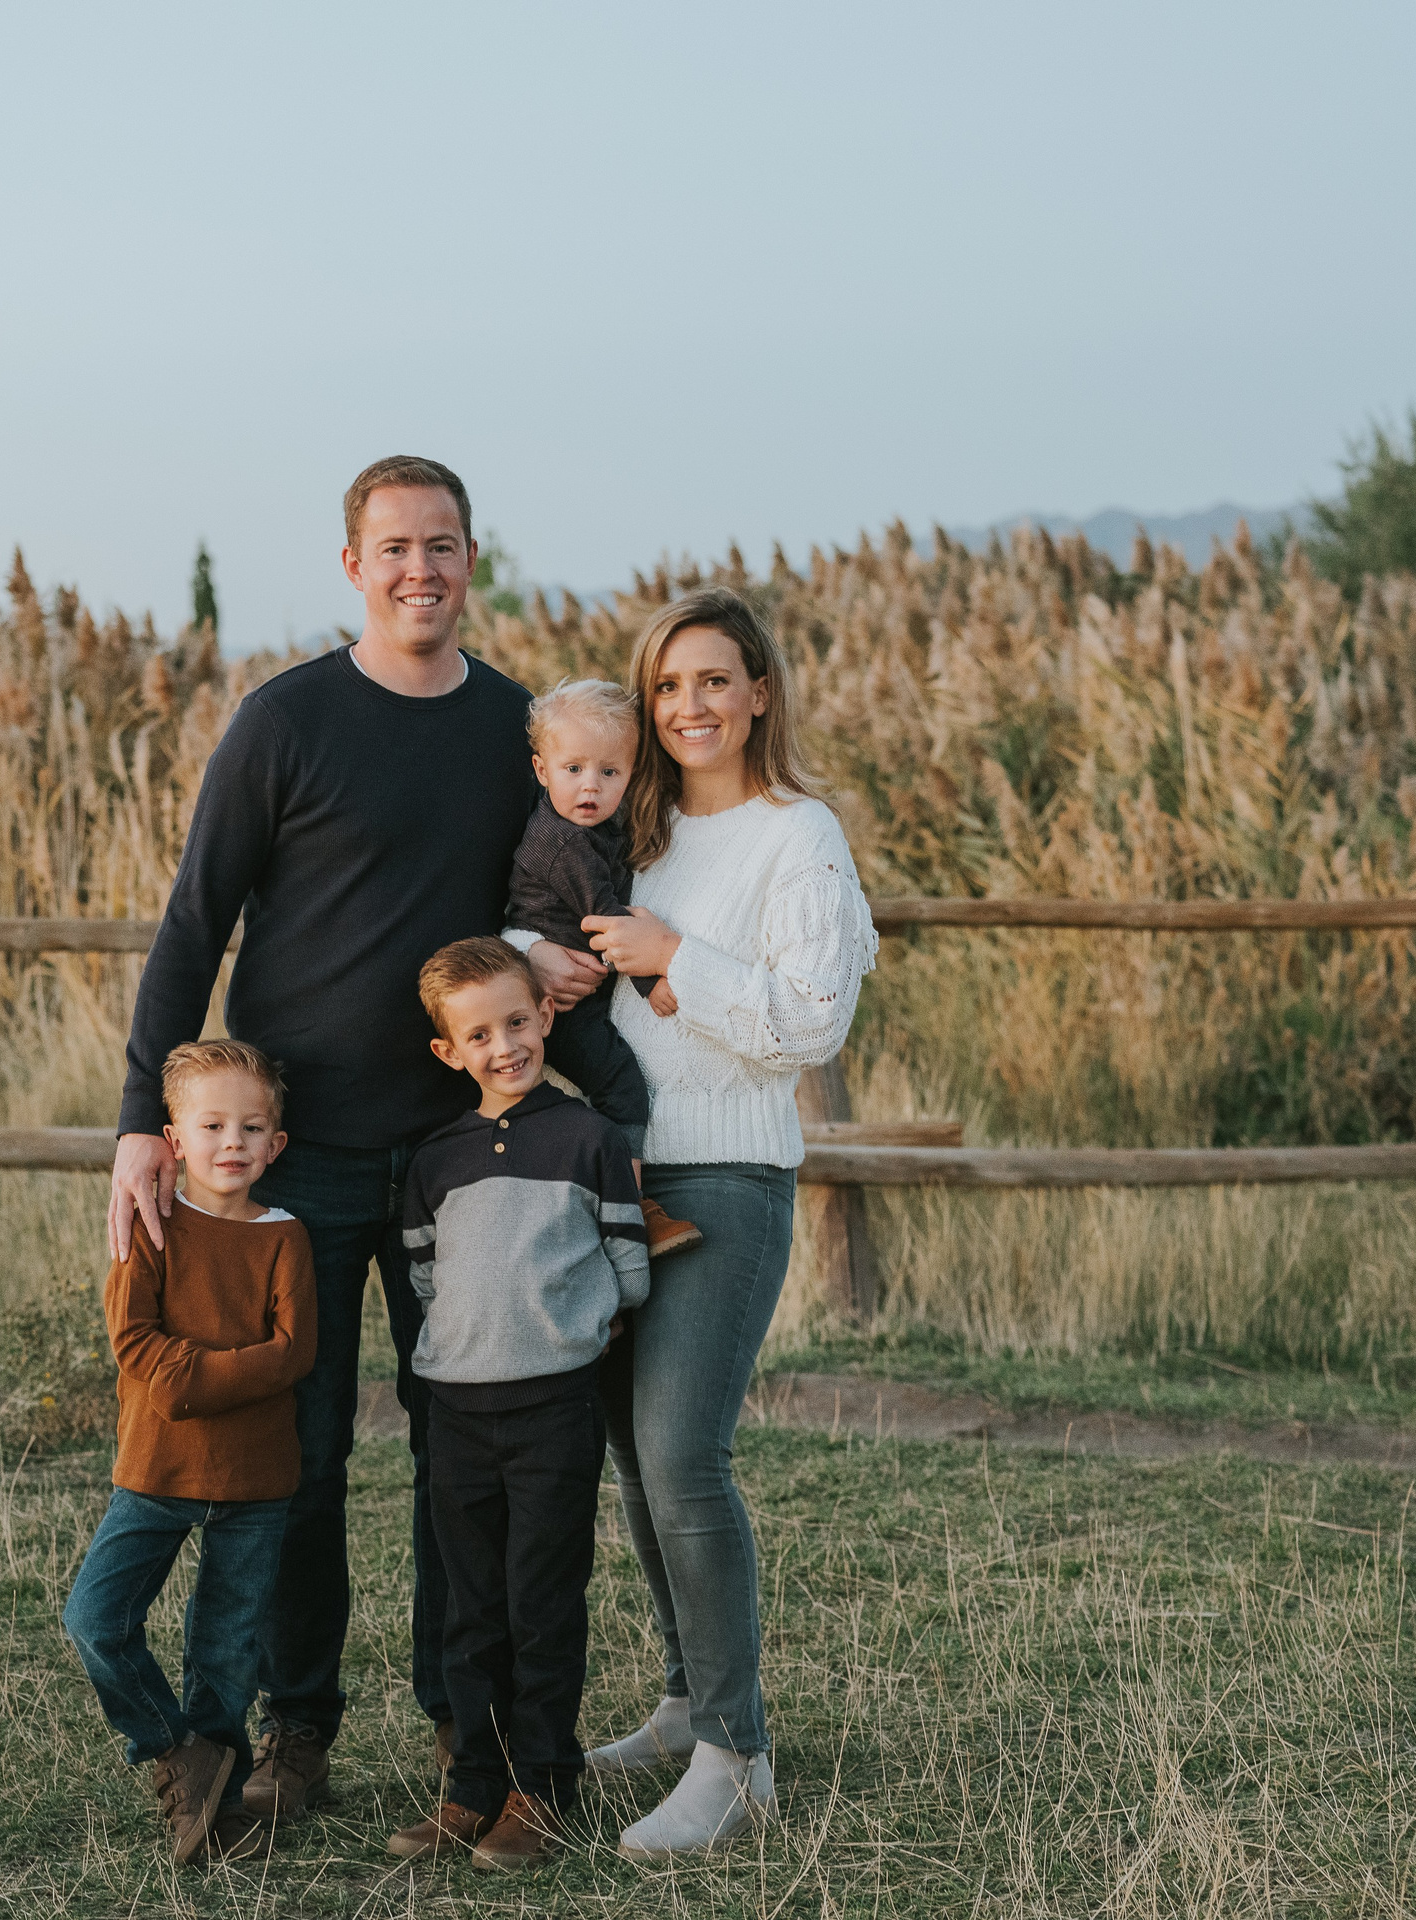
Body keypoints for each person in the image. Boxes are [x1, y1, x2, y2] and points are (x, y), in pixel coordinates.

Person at [106, 456, 601, 1816]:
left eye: (441, 545)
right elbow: (196, 920)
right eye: (393, 548)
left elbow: (549, 898)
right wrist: (145, 1121)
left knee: (465, 1455)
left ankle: (471, 1728)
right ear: (351, 565)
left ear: (472, 558)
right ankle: (298, 1735)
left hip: (464, 1158)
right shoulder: (286, 722)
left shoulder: (511, 730)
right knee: (299, 1460)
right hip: (301, 1159)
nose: (419, 570)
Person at [572, 587, 879, 1859]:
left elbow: (811, 1023)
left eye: (713, 681)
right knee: (635, 1464)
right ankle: (686, 1699)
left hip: (726, 1182)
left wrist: (668, 955)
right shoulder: (626, 836)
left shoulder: (796, 835)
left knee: (683, 1454)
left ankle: (736, 1756)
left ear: (759, 692)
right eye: (666, 688)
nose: (689, 706)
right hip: (610, 1183)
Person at [382, 938, 650, 1870]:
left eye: (517, 1022)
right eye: (479, 1035)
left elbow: (627, 1268)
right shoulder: (435, 1158)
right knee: (470, 1605)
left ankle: (541, 1786)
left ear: (545, 1018)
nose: (504, 1046)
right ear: (448, 1053)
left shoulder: (588, 1139)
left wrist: (575, 1326)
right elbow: (425, 1276)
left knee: (541, 1600)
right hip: (457, 1410)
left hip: (553, 1410)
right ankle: (473, 1787)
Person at [61, 1039, 316, 1867]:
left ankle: (215, 1811)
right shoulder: (151, 1222)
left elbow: (293, 1354)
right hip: (157, 1470)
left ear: (276, 1145)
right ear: (174, 1139)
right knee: (97, 1619)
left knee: (227, 1651)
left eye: (251, 1127)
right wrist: (197, 1378)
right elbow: (136, 1341)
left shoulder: (285, 1238)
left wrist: (189, 1380)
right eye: (212, 1125)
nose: (231, 1142)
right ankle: (175, 1754)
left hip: (256, 1476)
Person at [503, 677, 701, 1259]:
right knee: (622, 1088)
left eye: (610, 773)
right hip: (557, 1005)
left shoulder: (589, 829)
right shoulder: (562, 843)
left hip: (572, 995)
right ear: (542, 770)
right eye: (574, 770)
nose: (591, 785)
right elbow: (603, 916)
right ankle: (630, 1208)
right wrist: (651, 981)